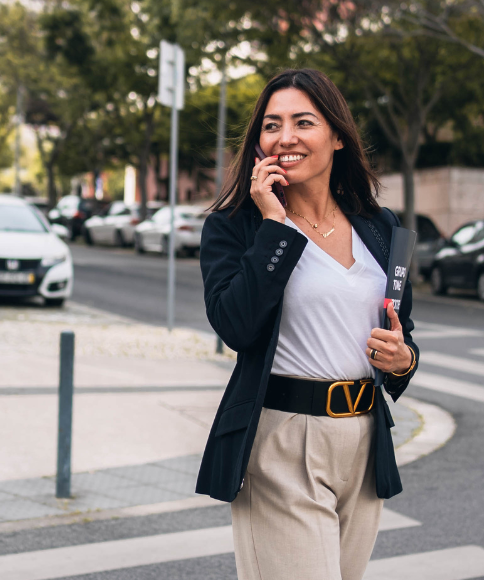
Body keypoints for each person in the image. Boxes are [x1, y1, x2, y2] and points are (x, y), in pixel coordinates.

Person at [195, 68, 420, 580]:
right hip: (282, 440)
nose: (285, 137)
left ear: (337, 135)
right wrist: (275, 225)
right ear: (258, 144)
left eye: (304, 121)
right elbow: (235, 325)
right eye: (271, 125)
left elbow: (402, 333)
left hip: (365, 440)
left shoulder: (378, 228)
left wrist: (403, 358)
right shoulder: (237, 227)